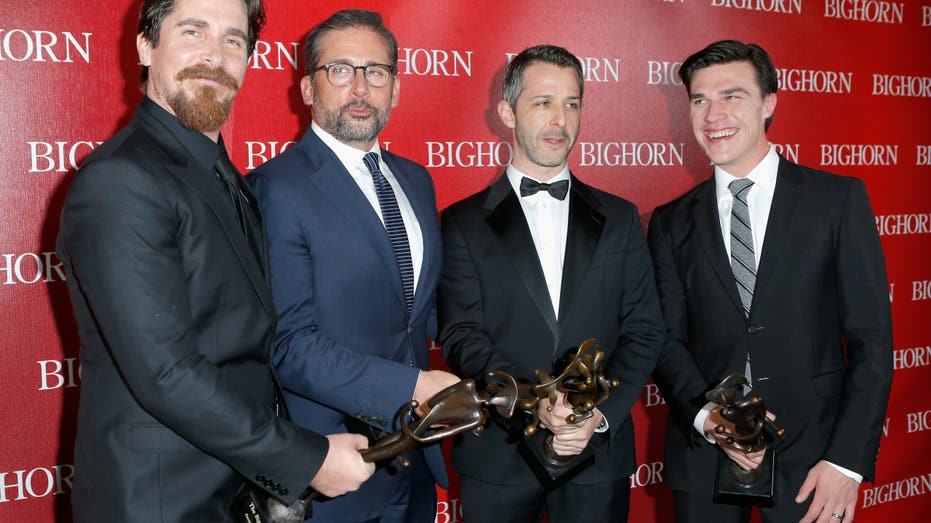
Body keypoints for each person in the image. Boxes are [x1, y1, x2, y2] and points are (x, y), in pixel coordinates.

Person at [56, 1, 376, 521]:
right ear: (145, 46)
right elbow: (166, 372)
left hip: (227, 485)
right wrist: (305, 457)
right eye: (192, 31)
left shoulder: (222, 173)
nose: (215, 55)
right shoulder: (121, 179)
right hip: (159, 500)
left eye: (233, 40)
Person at [648, 40, 893, 523]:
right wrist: (707, 418)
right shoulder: (670, 221)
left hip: (816, 458)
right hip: (704, 456)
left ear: (769, 103)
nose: (713, 114)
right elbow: (665, 339)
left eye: (732, 95)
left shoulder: (836, 200)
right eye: (699, 100)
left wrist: (846, 462)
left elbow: (873, 342)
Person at [436, 44, 664, 522]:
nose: (560, 119)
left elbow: (645, 329)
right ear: (507, 112)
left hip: (597, 456)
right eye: (543, 102)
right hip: (497, 455)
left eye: (572, 103)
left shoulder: (620, 218)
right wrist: (532, 402)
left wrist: (598, 415)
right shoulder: (461, 223)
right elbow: (461, 335)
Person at [247, 9, 459, 523]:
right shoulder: (277, 188)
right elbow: (289, 345)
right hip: (335, 470)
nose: (360, 87)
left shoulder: (416, 180)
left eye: (376, 72)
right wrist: (409, 388)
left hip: (416, 462)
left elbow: (420, 313)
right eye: (340, 70)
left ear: (396, 88)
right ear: (307, 88)